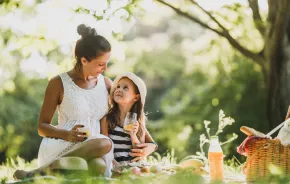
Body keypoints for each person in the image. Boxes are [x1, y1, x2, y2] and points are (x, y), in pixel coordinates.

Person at [14, 24, 114, 179]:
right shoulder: (58, 83)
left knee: (99, 164)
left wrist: (144, 141)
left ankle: (36, 174)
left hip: (94, 149)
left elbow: (124, 113)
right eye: (101, 64)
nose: (105, 68)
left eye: (107, 62)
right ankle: (52, 166)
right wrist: (68, 135)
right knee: (104, 143)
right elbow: (42, 127)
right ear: (84, 60)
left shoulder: (106, 84)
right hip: (64, 143)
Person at [101, 72, 158, 167]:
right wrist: (113, 165)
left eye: (125, 88)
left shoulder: (138, 121)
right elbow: (105, 148)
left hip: (134, 164)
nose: (119, 90)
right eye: (118, 87)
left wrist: (133, 135)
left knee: (147, 171)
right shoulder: (107, 119)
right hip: (115, 164)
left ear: (136, 97)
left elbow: (139, 151)